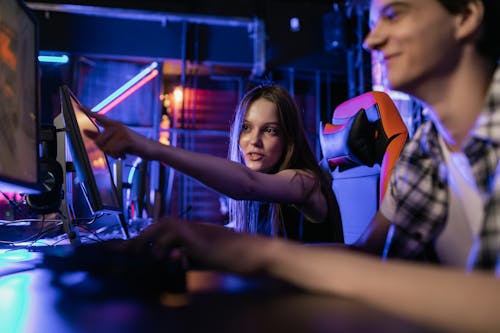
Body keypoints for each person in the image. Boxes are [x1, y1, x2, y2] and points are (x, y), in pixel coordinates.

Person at [120, 0, 500, 332]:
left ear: (465, 16)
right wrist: (224, 249)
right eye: (372, 23)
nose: (370, 41)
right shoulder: (425, 148)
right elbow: (371, 254)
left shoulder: (303, 180)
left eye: (393, 14)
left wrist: (263, 256)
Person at [85, 84, 344, 243]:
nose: (254, 141)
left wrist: (152, 149)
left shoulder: (305, 182)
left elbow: (248, 185)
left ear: (288, 139)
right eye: (246, 128)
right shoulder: (268, 189)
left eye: (271, 131)